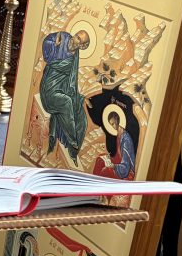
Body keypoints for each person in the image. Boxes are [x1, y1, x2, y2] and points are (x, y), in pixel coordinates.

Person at [39, 30, 90, 163]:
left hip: (61, 88)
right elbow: (47, 45)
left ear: (82, 46)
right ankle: (72, 139)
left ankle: (73, 151)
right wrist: (54, 45)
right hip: (48, 88)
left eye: (79, 39)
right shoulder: (62, 37)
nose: (74, 38)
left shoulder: (75, 54)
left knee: (81, 115)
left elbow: (72, 80)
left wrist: (81, 98)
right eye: (76, 35)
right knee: (67, 102)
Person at [92, 109, 137, 180]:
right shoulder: (119, 134)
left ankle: (98, 184)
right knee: (99, 159)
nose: (114, 126)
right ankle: (93, 181)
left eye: (114, 123)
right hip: (119, 164)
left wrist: (113, 166)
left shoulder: (126, 139)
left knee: (105, 171)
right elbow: (118, 156)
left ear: (118, 120)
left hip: (126, 171)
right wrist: (109, 158)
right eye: (112, 124)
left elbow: (126, 167)